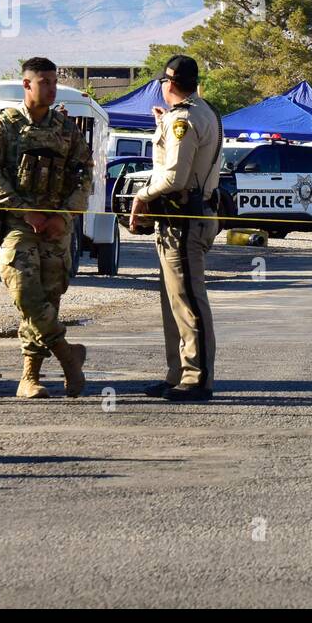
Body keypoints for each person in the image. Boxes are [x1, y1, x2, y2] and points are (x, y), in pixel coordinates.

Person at [0, 57, 92, 399]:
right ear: (27, 84)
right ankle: (68, 355)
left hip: (56, 227)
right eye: (45, 82)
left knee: (49, 297)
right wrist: (25, 211)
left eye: (54, 82)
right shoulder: (4, 126)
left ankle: (31, 377)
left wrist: (63, 215)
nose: (52, 88)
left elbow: (84, 173)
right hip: (18, 224)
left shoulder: (66, 129)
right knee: (26, 293)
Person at [128, 55, 223, 402]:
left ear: (168, 84)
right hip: (187, 216)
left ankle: (197, 377)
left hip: (182, 218)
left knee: (188, 300)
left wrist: (142, 195)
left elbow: (175, 176)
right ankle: (179, 373)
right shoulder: (201, 112)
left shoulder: (181, 120)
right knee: (174, 300)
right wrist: (164, 124)